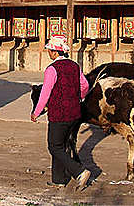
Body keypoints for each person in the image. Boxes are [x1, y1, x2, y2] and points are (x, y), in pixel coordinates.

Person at [30, 35, 91, 190]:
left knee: (54, 147)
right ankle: (59, 179)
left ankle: (80, 171)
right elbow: (84, 86)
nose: (49, 53)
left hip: (59, 114)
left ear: (55, 52)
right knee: (61, 146)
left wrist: (36, 112)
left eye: (50, 50)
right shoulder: (74, 66)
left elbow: (45, 93)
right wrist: (78, 97)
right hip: (75, 112)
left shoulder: (52, 69)